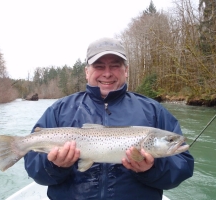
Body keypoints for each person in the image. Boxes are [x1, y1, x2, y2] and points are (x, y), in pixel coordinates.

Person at [24, 37, 194, 200]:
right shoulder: (58, 110)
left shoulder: (154, 111)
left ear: (125, 71)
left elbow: (183, 167)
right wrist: (54, 166)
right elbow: (35, 169)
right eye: (99, 66)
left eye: (114, 66)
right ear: (86, 71)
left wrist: (151, 169)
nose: (107, 73)